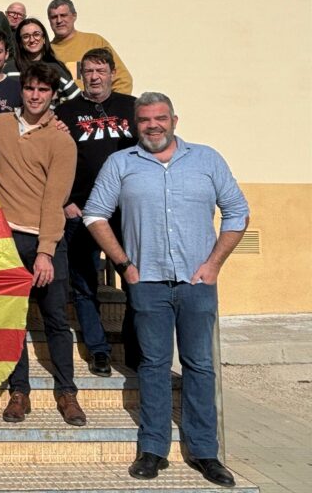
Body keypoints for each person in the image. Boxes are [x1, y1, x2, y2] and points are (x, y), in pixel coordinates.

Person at [84, 92, 248, 487]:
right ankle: (153, 449)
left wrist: (213, 265)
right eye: (144, 119)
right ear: (134, 123)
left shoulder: (207, 159)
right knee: (153, 367)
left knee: (200, 366)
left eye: (160, 118)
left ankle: (204, 452)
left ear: (175, 120)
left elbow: (238, 211)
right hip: (148, 284)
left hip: (197, 283)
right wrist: (125, 266)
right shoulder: (120, 164)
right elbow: (94, 214)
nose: (153, 125)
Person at [0, 63, 83, 427]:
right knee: (14, 322)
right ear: (21, 90)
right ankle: (18, 391)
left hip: (44, 241)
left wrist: (45, 251)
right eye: (30, 89)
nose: (36, 96)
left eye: (43, 90)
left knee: (55, 320)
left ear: (53, 94)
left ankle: (67, 393)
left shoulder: (61, 139)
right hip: (4, 239)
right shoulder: (2, 124)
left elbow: (55, 200)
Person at [55, 48, 138, 378]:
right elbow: (54, 158)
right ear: (81, 75)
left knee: (134, 282)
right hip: (82, 210)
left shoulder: (131, 108)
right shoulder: (66, 112)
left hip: (125, 211)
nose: (94, 76)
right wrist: (64, 201)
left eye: (100, 70)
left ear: (111, 72)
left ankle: (135, 349)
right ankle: (99, 350)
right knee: (85, 287)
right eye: (88, 71)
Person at [47, 0, 133, 93]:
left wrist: (113, 105)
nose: (59, 21)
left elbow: (123, 80)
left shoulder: (95, 42)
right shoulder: (47, 52)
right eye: (54, 17)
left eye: (63, 15)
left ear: (74, 16)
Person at [13, 18, 81, 106]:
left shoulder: (56, 69)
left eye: (36, 34)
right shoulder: (10, 68)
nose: (32, 40)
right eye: (26, 36)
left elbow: (76, 100)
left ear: (44, 38)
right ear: (20, 42)